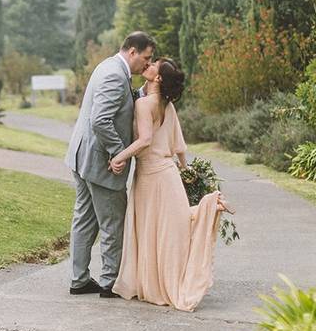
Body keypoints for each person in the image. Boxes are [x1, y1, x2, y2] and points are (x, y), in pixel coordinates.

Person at [110, 58, 231, 311]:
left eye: (155, 64)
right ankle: (210, 206)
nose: (150, 64)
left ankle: (210, 205)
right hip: (168, 175)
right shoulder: (167, 105)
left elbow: (144, 140)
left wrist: (119, 156)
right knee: (169, 231)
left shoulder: (144, 104)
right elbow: (179, 146)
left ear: (159, 78)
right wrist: (187, 173)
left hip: (152, 177)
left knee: (155, 231)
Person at [65, 32, 156, 297]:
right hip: (99, 161)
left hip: (81, 156)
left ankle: (79, 279)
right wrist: (119, 153)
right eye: (146, 58)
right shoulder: (116, 75)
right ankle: (110, 282)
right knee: (113, 221)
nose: (147, 64)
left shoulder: (109, 66)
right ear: (132, 52)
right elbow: (100, 120)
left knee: (84, 218)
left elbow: (122, 103)